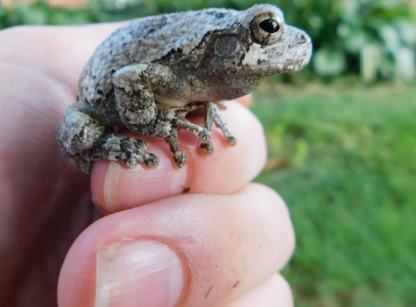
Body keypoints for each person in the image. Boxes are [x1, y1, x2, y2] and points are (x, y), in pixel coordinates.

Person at [0, 22, 295, 307]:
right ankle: (105, 146)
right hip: (97, 111)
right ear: (223, 41)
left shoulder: (199, 69)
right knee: (83, 131)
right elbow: (128, 79)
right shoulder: (186, 65)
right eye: (268, 30)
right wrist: (153, 120)